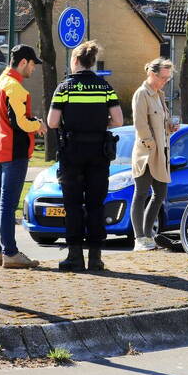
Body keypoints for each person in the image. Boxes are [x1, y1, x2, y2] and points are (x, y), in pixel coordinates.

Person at [47, 41, 124, 271]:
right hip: (99, 152)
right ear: (92, 62)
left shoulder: (64, 88)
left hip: (72, 153)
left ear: (75, 61)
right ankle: (95, 258)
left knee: (72, 204)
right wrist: (99, 123)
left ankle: (75, 256)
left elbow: (52, 122)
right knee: (95, 204)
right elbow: (118, 121)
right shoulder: (105, 87)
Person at [0, 44, 47, 269]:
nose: (33, 69)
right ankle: (10, 253)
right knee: (8, 204)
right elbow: (19, 122)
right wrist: (37, 125)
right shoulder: (15, 88)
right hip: (14, 151)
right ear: (23, 62)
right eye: (32, 64)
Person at [130, 57, 178, 250]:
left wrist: (170, 127)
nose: (165, 81)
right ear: (152, 74)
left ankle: (148, 234)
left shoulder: (159, 95)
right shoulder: (142, 94)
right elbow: (140, 123)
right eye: (163, 78)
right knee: (141, 193)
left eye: (168, 78)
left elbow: (160, 123)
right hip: (147, 154)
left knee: (160, 194)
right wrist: (151, 146)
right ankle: (139, 238)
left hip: (162, 152)